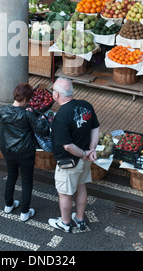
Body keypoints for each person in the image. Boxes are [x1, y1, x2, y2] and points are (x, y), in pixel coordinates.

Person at [48, 77, 100, 233]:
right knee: (81, 187)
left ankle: (65, 222)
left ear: (56, 95)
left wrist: (84, 153)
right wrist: (91, 150)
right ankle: (80, 218)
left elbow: (68, 146)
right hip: (85, 160)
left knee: (65, 193)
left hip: (69, 162)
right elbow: (95, 128)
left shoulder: (61, 115)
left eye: (53, 90)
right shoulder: (86, 106)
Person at [0, 83, 50, 222]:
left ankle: (8, 205)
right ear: (27, 100)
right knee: (27, 181)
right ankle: (24, 213)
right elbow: (42, 130)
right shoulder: (27, 115)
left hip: (8, 151)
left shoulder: (2, 111)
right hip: (25, 152)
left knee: (11, 176)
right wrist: (44, 120)